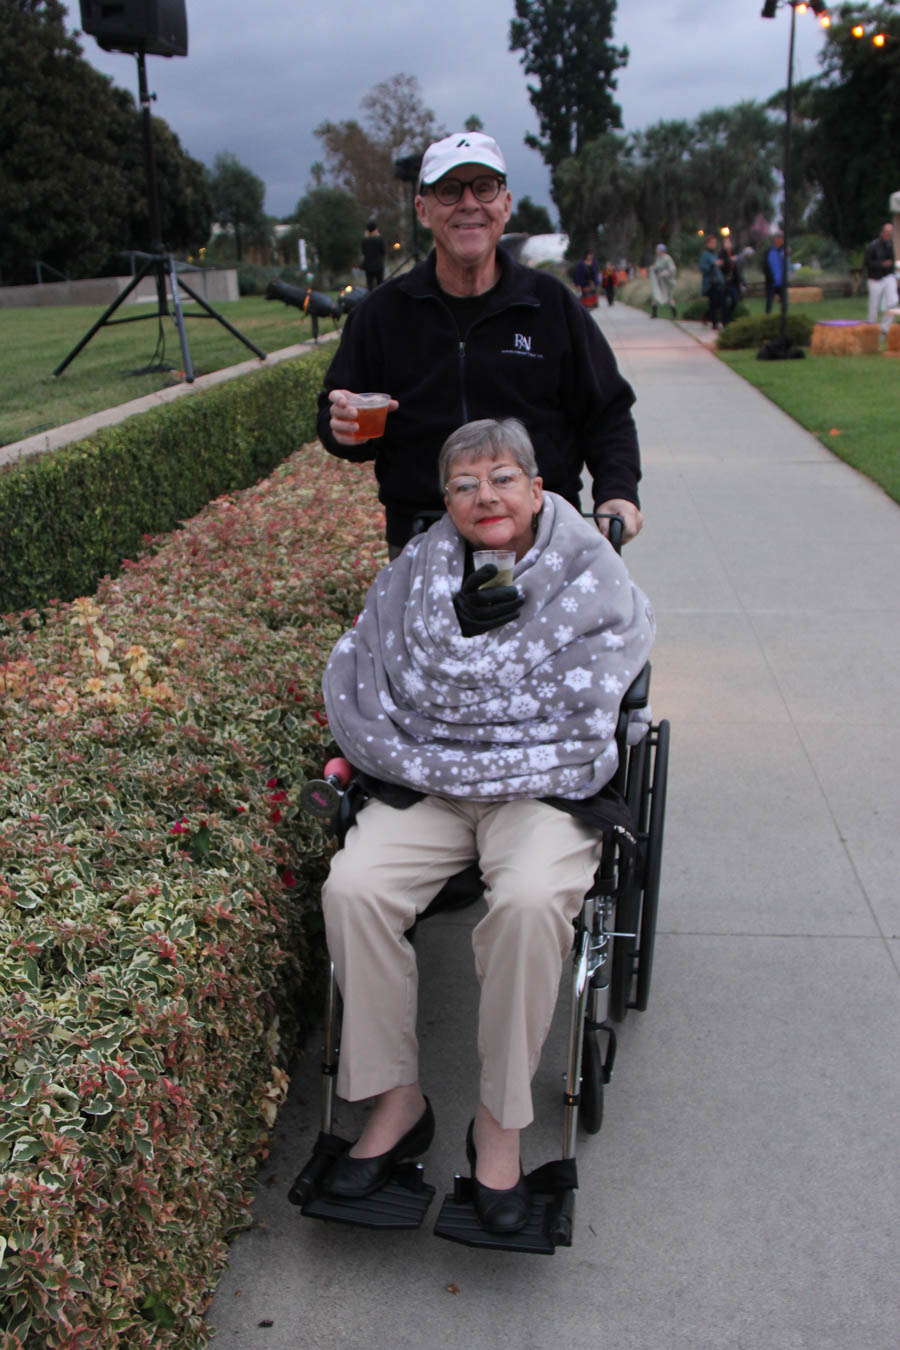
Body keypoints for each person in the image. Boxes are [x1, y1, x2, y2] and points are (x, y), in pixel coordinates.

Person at [317, 417, 655, 1234]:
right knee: (354, 888)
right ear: (446, 503)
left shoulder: (589, 573)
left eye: (503, 478)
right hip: (432, 778)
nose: (485, 496)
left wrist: (494, 712)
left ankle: (498, 1127)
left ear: (539, 490)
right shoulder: (415, 573)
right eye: (465, 485)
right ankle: (398, 1104)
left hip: (542, 785)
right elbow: (367, 660)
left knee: (534, 902)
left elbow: (596, 690)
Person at [317, 131, 643, 558]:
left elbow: (607, 413)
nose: (469, 203)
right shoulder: (382, 314)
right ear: (423, 208)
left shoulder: (551, 304)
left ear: (505, 204)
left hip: (544, 541)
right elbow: (335, 416)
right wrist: (343, 430)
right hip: (423, 544)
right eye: (449, 191)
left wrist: (618, 491)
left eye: (484, 188)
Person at [864, 222, 897, 336]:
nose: (889, 234)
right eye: (887, 232)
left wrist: (894, 276)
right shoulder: (873, 246)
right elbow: (867, 262)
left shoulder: (890, 245)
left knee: (893, 302)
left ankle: (884, 329)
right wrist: (881, 264)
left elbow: (891, 262)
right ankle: (871, 331)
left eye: (891, 232)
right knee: (874, 306)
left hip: (887, 276)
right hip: (875, 279)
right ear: (882, 232)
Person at [700, 236, 725, 329]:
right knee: (713, 303)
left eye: (715, 242)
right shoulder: (705, 254)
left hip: (718, 282)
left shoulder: (714, 254)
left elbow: (718, 267)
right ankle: (714, 323)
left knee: (719, 303)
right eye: (712, 243)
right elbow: (703, 267)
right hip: (711, 283)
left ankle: (706, 315)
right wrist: (712, 264)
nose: (714, 244)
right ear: (708, 244)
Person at [649, 243, 677, 318]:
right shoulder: (658, 258)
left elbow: (672, 269)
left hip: (667, 282)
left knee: (669, 297)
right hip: (659, 282)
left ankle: (675, 314)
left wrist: (666, 272)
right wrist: (653, 268)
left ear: (661, 250)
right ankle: (654, 313)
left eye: (657, 249)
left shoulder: (667, 258)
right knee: (655, 295)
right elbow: (656, 267)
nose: (656, 251)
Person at [764, 232, 786, 315]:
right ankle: (768, 317)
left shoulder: (783, 252)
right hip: (771, 282)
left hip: (781, 282)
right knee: (769, 302)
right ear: (775, 240)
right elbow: (765, 266)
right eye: (779, 238)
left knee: (784, 303)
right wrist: (769, 276)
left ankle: (783, 317)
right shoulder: (769, 252)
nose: (781, 240)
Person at [361, 217, 385, 291]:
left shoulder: (364, 240)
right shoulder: (379, 239)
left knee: (369, 285)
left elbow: (363, 252)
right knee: (380, 284)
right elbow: (383, 251)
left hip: (368, 265)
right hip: (378, 265)